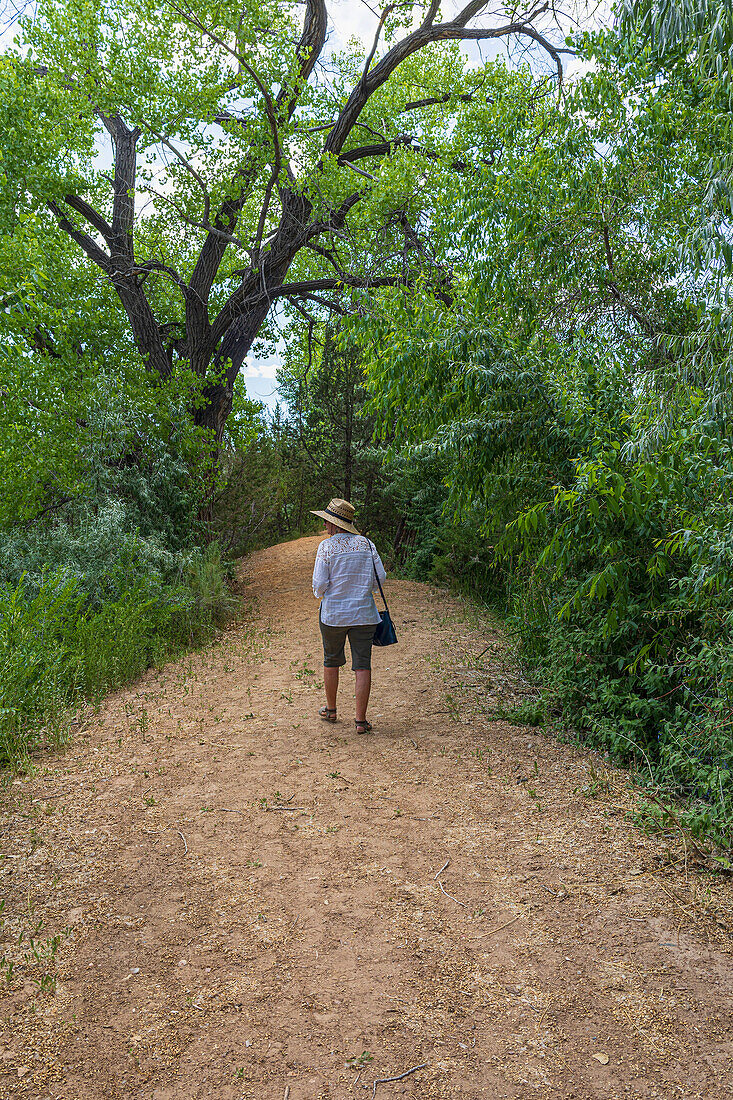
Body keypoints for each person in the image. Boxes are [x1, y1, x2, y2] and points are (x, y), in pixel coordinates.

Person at [310, 497, 387, 734]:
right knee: (362, 665)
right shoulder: (367, 545)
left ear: (335, 525)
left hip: (333, 615)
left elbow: (319, 584)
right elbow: (380, 579)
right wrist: (364, 589)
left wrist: (323, 593)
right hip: (364, 614)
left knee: (331, 660)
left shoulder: (327, 547)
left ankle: (331, 710)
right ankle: (360, 721)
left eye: (327, 522)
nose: (325, 527)